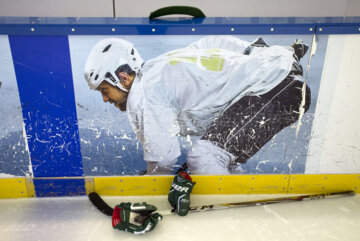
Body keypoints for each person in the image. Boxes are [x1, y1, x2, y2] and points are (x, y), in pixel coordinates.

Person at [84, 36, 311, 175]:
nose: (105, 99)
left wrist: (148, 186)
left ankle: (231, 224)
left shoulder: (144, 91)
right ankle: (238, 198)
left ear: (123, 78)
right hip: (284, 81)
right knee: (220, 158)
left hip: (278, 85)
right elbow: (210, 43)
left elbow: (163, 159)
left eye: (104, 90)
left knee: (204, 157)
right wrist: (253, 50)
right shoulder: (161, 66)